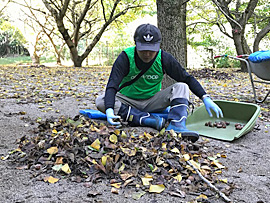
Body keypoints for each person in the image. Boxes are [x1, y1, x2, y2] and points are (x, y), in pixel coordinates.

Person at [96, 23, 223, 142]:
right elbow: (112, 86)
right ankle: (148, 120)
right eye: (143, 49)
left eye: (151, 50)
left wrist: (205, 97)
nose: (147, 54)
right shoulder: (125, 57)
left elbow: (186, 78)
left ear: (158, 46)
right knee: (101, 101)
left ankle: (177, 125)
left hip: (152, 100)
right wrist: (109, 110)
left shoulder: (164, 58)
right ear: (135, 44)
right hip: (127, 100)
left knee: (182, 86)